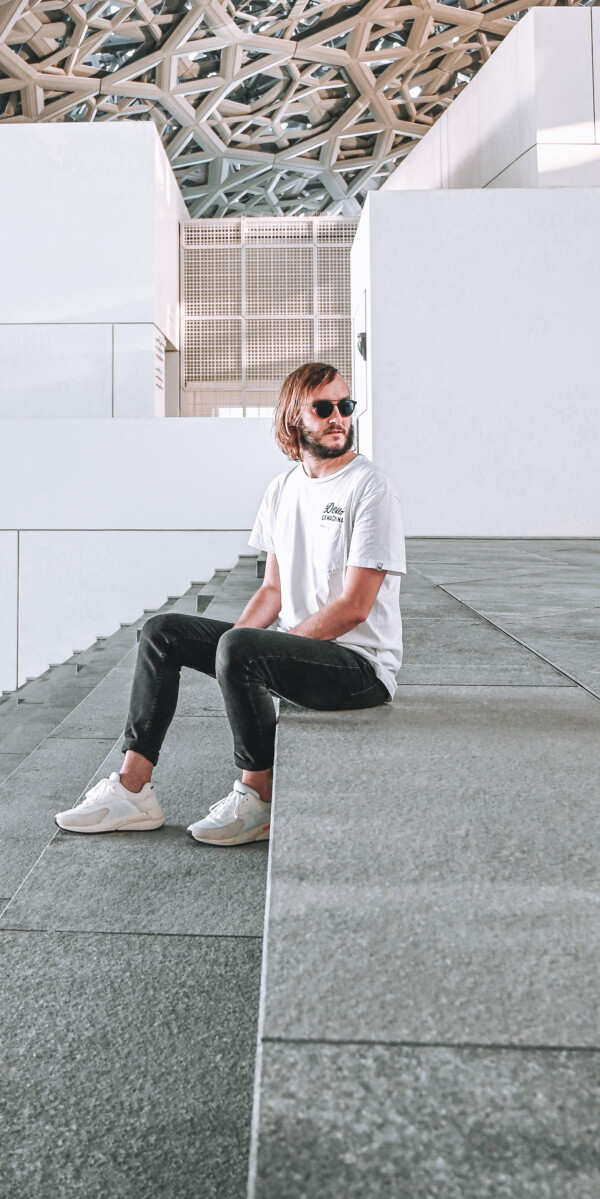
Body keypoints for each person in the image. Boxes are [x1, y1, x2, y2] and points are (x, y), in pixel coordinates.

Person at [55, 360, 405, 845]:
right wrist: (231, 649)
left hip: (359, 669)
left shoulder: (370, 487)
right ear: (293, 419)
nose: (338, 418)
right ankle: (133, 790)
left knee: (241, 648)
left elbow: (354, 607)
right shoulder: (283, 489)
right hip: (295, 651)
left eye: (345, 406)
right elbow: (273, 591)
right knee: (163, 633)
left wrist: (251, 648)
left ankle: (257, 797)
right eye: (323, 408)